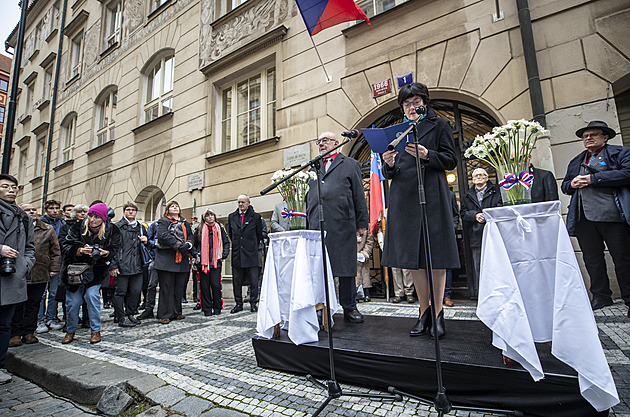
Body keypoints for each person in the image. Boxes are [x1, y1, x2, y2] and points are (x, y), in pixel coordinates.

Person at [381, 82, 459, 338]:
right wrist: (388, 165)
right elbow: (391, 172)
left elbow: (450, 160)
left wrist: (427, 155)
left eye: (415, 102)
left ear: (425, 102)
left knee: (435, 257)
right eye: (406, 104)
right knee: (413, 259)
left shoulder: (440, 125)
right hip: (404, 197)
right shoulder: (397, 131)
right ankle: (422, 311)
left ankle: (438, 314)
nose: (411, 107)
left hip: (431, 195)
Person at [561, 120, 630, 317]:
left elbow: (627, 173)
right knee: (592, 260)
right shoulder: (577, 160)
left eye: (593, 134)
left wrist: (593, 179)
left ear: (605, 137)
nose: (588, 138)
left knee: (623, 258)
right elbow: (565, 186)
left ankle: (628, 297)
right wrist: (572, 184)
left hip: (613, 216)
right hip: (584, 218)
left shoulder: (621, 153)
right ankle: (601, 295)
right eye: (585, 136)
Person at [306, 132, 369, 324]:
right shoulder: (314, 166)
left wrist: (361, 223)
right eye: (319, 142)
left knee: (346, 269)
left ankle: (349, 307)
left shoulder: (349, 164)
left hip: (343, 223)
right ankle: (322, 308)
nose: (321, 144)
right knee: (320, 270)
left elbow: (359, 194)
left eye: (325, 141)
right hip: (318, 225)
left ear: (336, 143)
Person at [61, 203, 121, 344]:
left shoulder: (112, 230)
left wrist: (106, 253)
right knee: (73, 303)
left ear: (104, 218)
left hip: (96, 271)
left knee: (92, 297)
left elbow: (115, 248)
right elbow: (66, 245)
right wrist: (80, 250)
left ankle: (95, 331)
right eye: (90, 215)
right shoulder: (78, 226)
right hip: (75, 270)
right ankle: (70, 331)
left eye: (97, 217)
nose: (92, 220)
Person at [0, 174, 35, 383]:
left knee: (4, 325)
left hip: (12, 277)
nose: (11, 190)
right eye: (5, 186)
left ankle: (0, 365)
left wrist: (25, 265)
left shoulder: (24, 217)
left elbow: (30, 247)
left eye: (14, 187)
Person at [9, 204, 59, 348]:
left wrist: (54, 268)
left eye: (34, 209)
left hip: (40, 271)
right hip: (19, 272)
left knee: (34, 303)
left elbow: (55, 251)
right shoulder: (16, 226)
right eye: (28, 210)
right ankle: (15, 333)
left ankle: (29, 332)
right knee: (18, 304)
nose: (32, 212)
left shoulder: (47, 229)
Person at [460, 168, 501, 300]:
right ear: (472, 179)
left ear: (487, 177)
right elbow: (463, 213)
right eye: (476, 176)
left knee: (496, 264)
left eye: (482, 175)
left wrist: (487, 215)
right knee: (478, 266)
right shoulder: (467, 195)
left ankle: (497, 292)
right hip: (475, 235)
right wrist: (475, 215)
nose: (479, 177)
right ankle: (481, 294)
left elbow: (500, 206)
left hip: (494, 234)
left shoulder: (496, 191)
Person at [154, 201, 193, 324]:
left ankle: (176, 312)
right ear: (168, 209)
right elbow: (163, 236)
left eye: (177, 206)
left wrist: (188, 244)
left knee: (179, 287)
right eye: (172, 206)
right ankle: (164, 313)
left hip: (182, 260)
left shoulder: (185, 223)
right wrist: (178, 245)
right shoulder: (163, 221)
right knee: (166, 287)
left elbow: (191, 236)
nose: (175, 207)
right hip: (167, 259)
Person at [110, 202, 148, 327]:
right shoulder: (117, 226)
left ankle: (130, 313)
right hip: (122, 265)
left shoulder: (141, 227)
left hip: (137, 265)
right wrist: (113, 265)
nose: (130, 212)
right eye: (128, 210)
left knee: (136, 291)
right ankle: (120, 316)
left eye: (133, 210)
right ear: (124, 211)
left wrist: (146, 240)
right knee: (120, 292)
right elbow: (113, 248)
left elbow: (148, 243)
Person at [228, 195, 263, 313]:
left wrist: (251, 246)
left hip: (251, 253)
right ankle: (238, 303)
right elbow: (231, 234)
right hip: (237, 253)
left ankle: (254, 302)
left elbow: (259, 235)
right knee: (237, 281)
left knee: (253, 280)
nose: (240, 204)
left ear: (248, 203)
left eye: (243, 202)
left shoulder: (256, 217)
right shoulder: (231, 217)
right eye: (238, 202)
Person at [193, 209, 230, 316]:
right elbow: (193, 244)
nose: (210, 217)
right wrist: (196, 254)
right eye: (207, 215)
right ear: (204, 218)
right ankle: (207, 309)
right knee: (204, 286)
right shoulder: (199, 229)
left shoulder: (219, 228)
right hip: (203, 263)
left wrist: (224, 254)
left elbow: (226, 242)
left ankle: (217, 307)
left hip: (216, 262)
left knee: (215, 285)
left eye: (212, 215)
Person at [38, 199, 66, 332]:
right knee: (42, 293)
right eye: (51, 208)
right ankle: (39, 319)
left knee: (54, 292)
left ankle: (51, 317)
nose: (54, 211)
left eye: (56, 208)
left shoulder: (63, 223)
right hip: (42, 262)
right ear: (46, 210)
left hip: (58, 261)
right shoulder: (40, 223)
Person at [138, 221, 158, 320]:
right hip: (155, 258)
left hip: (169, 260)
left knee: (167, 286)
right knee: (151, 285)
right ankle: (149, 308)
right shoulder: (155, 225)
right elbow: (148, 242)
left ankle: (165, 309)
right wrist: (157, 244)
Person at [444, 189, 460, 307]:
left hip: (446, 234)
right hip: (431, 233)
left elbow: (455, 214)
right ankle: (432, 296)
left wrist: (453, 227)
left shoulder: (450, 194)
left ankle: (447, 296)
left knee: (447, 266)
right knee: (431, 267)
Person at [356, 229, 374, 302]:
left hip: (362, 253)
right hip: (351, 253)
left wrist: (364, 253)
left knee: (364, 270)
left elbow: (369, 242)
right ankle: (355, 291)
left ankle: (366, 290)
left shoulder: (367, 227)